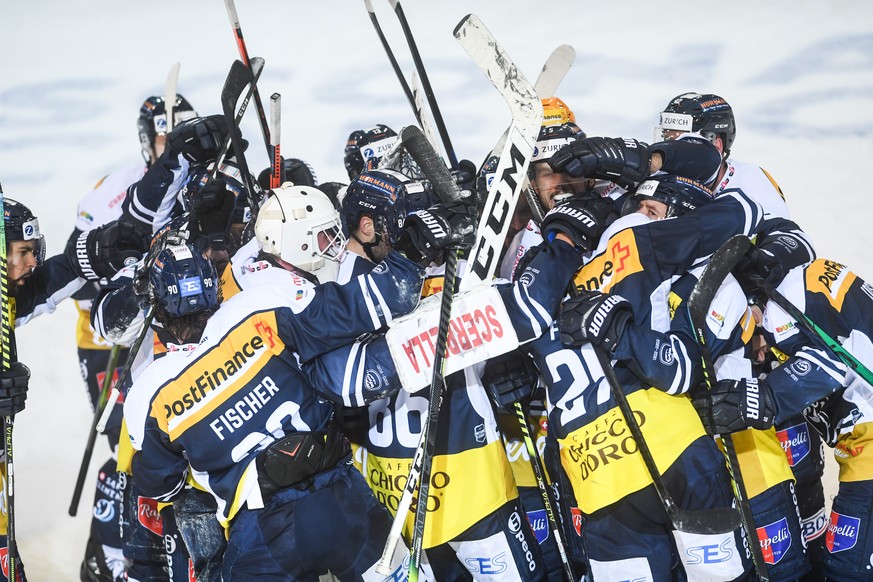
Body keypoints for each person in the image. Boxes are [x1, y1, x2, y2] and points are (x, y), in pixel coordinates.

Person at [125, 186, 473, 580]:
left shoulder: (149, 393)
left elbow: (158, 485)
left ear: (156, 310)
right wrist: (410, 252)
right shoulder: (256, 309)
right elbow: (364, 304)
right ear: (214, 288)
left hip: (260, 531)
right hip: (339, 497)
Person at [655, 91, 825, 573]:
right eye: (665, 136)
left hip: (767, 349)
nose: (670, 145)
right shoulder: (663, 185)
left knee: (799, 472)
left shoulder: (748, 178)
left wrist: (760, 264)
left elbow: (798, 242)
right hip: (711, 351)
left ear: (717, 142)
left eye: (679, 136)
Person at [72, 93, 197, 582]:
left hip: (167, 337)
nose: (171, 146)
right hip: (110, 341)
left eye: (179, 135)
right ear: (148, 140)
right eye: (164, 137)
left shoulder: (205, 179)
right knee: (127, 446)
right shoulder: (108, 195)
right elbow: (83, 286)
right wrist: (128, 283)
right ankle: (108, 559)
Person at [695, 254, 873, 582]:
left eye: (745, 333)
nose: (758, 355)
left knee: (847, 571)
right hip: (862, 448)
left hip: (869, 449)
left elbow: (825, 364)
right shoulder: (810, 277)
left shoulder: (781, 306)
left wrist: (757, 400)